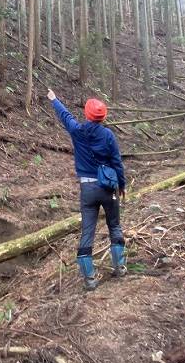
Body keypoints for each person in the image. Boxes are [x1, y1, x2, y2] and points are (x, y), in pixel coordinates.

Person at [47, 89, 127, 291]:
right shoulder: (108, 135)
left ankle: (90, 280)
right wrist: (122, 185)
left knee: (87, 232)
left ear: (87, 114)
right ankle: (120, 267)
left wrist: (54, 99)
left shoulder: (77, 131)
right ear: (103, 116)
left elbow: (66, 116)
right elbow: (117, 162)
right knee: (114, 226)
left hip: (87, 189)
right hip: (108, 188)